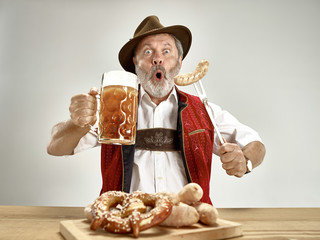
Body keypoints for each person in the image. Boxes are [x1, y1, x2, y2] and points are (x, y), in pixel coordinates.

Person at [47, 16, 266, 204]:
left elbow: (256, 144)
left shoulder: (203, 110)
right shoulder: (113, 108)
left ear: (179, 62)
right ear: (135, 62)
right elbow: (56, 147)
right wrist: (77, 123)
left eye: (166, 51)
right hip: (125, 226)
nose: (157, 58)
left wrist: (244, 162)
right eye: (148, 51)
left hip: (189, 225)